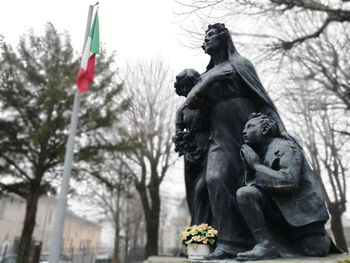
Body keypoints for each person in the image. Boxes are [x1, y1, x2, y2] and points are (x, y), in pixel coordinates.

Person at [182, 23, 288, 260]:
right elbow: (193, 106)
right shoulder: (206, 74)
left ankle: (263, 240)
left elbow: (264, 100)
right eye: (205, 37)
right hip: (218, 135)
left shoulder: (241, 65)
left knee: (248, 183)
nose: (206, 40)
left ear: (224, 38)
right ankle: (229, 242)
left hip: (246, 130)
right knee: (214, 178)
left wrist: (281, 130)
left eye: (210, 36)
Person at [237, 113, 331, 261]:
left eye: (250, 127)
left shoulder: (286, 146)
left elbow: (289, 182)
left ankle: (316, 238)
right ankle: (265, 245)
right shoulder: (256, 153)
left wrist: (256, 166)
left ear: (265, 129)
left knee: (314, 250)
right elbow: (255, 187)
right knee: (245, 193)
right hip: (279, 215)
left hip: (303, 220)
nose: (244, 131)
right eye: (244, 128)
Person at [173, 69, 212, 225]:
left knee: (202, 191)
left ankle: (208, 231)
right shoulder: (181, 111)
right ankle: (197, 233)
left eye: (187, 86)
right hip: (190, 154)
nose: (185, 91)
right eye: (182, 87)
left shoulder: (206, 105)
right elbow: (178, 133)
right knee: (192, 195)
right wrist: (181, 138)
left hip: (209, 148)